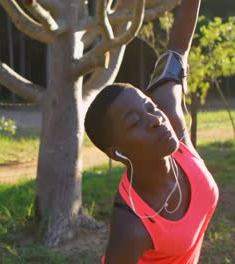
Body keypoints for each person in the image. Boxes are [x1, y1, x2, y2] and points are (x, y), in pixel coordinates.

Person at [84, 0, 219, 262]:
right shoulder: (132, 225)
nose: (156, 119)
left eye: (149, 105)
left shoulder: (172, 120)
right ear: (119, 152)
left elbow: (178, 48)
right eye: (135, 122)